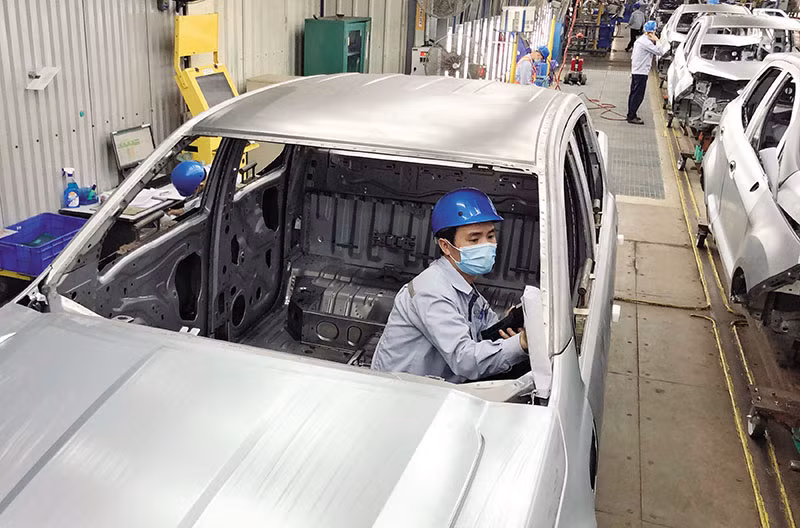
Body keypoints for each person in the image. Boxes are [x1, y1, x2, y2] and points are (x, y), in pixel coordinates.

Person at [371, 188, 529, 383]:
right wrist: (521, 343)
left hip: (433, 392)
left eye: (490, 236)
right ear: (446, 246)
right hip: (400, 395)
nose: (487, 245)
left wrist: (507, 325)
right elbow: (465, 360)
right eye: (474, 239)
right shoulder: (431, 290)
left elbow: (484, 333)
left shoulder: (469, 293)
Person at [627, 20, 663, 125]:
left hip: (636, 71)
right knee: (638, 95)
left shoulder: (640, 40)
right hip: (640, 73)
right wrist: (658, 41)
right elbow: (660, 51)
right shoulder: (646, 42)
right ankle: (631, 116)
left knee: (634, 94)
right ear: (651, 32)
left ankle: (631, 114)